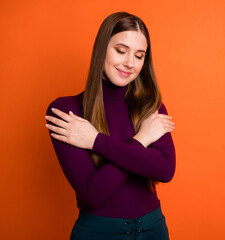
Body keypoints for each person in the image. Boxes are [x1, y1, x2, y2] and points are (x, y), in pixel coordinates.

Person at [44, 12, 176, 240]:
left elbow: (165, 170)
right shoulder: (67, 112)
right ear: (102, 48)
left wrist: (95, 141)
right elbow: (92, 193)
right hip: (98, 231)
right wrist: (141, 140)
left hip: (154, 228)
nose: (129, 63)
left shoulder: (150, 106)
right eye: (121, 51)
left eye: (139, 55)